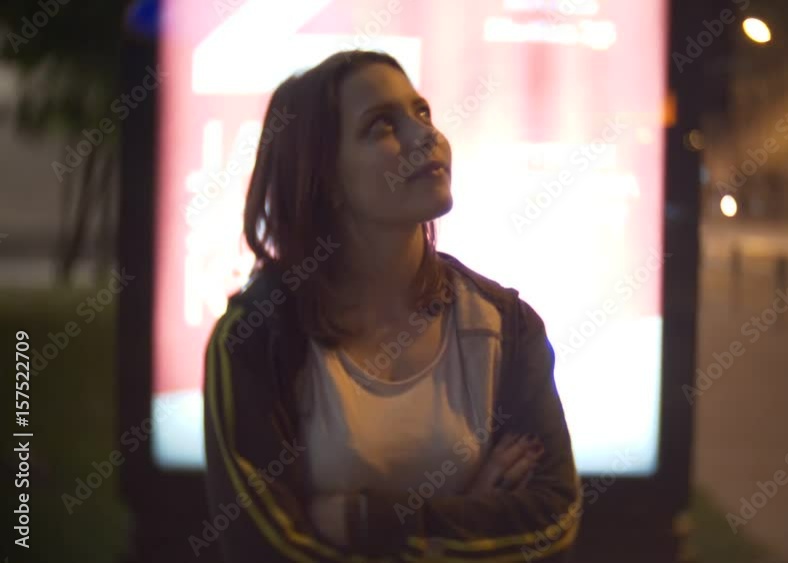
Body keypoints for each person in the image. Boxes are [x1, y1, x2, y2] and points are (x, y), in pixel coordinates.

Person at [202, 49, 581, 562]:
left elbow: (552, 528)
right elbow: (266, 552)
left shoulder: (507, 326)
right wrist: (470, 512)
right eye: (382, 125)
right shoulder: (255, 340)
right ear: (324, 178)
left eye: (422, 112)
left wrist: (364, 520)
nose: (426, 135)